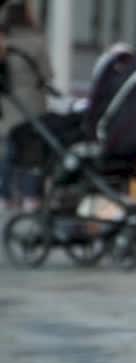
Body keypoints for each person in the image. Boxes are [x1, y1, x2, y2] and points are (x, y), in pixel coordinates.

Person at [0, 0, 50, 211]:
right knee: (34, 153)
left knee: (10, 150)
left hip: (10, 103)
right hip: (35, 104)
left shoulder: (4, 42)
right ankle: (31, 197)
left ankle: (5, 195)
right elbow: (47, 74)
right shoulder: (38, 41)